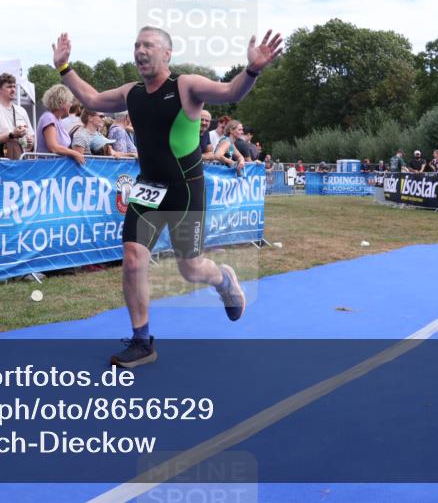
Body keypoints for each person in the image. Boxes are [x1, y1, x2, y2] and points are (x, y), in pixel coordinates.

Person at [53, 25, 283, 368]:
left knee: (190, 268)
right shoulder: (131, 92)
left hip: (185, 189)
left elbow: (231, 90)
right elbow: (91, 99)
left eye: (148, 45)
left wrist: (252, 69)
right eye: (136, 45)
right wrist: (63, 68)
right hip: (148, 188)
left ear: (167, 54)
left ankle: (222, 278)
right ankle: (142, 341)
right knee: (132, 259)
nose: (140, 51)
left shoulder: (187, 86)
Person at [36, 83, 85, 164]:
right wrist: (75, 153)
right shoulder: (49, 118)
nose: (71, 104)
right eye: (69, 101)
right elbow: (53, 147)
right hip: (48, 167)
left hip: (55, 166)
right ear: (61, 102)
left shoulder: (57, 120)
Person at [0, 73, 34, 157]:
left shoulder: (21, 110)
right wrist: (12, 135)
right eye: (9, 87)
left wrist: (30, 142)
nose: (13, 90)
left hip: (20, 159)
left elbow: (30, 137)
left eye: (14, 86)